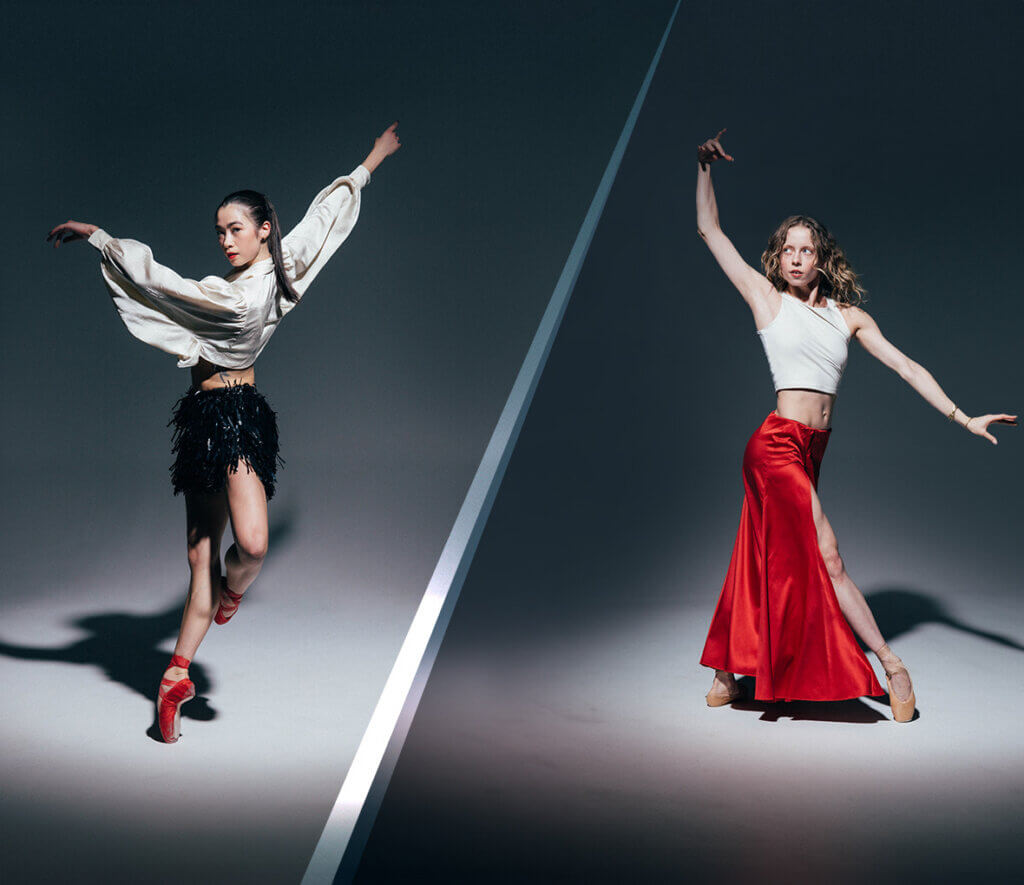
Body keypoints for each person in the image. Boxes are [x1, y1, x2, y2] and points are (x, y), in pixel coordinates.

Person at [47, 123, 401, 742]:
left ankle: (227, 597)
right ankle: (175, 677)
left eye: (235, 228)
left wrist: (371, 159)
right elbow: (164, 284)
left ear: (265, 229)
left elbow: (324, 220)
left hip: (241, 417)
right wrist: (99, 237)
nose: (225, 240)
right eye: (219, 231)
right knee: (199, 560)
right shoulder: (228, 290)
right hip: (204, 418)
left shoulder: (271, 280)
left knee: (253, 548)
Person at [694, 129, 1015, 722]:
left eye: (806, 250)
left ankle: (727, 672)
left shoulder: (849, 318)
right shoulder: (767, 300)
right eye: (787, 249)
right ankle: (893, 667)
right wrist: (704, 167)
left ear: (822, 258)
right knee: (829, 557)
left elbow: (906, 365)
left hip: (813, 450)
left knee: (760, 554)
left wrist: (962, 416)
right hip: (774, 446)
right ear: (778, 256)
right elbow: (710, 232)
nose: (795, 258)